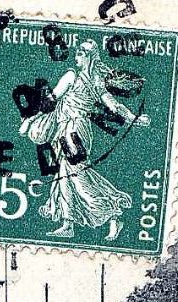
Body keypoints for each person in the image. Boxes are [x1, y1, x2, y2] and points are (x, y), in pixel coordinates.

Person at [19, 39, 150, 242]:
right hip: (67, 129)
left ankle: (112, 213)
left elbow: (114, 106)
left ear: (90, 57)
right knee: (67, 173)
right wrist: (31, 120)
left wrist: (134, 119)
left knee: (75, 175)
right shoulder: (76, 77)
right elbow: (50, 102)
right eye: (78, 51)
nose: (77, 55)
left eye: (81, 52)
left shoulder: (89, 80)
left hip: (74, 131)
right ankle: (69, 223)